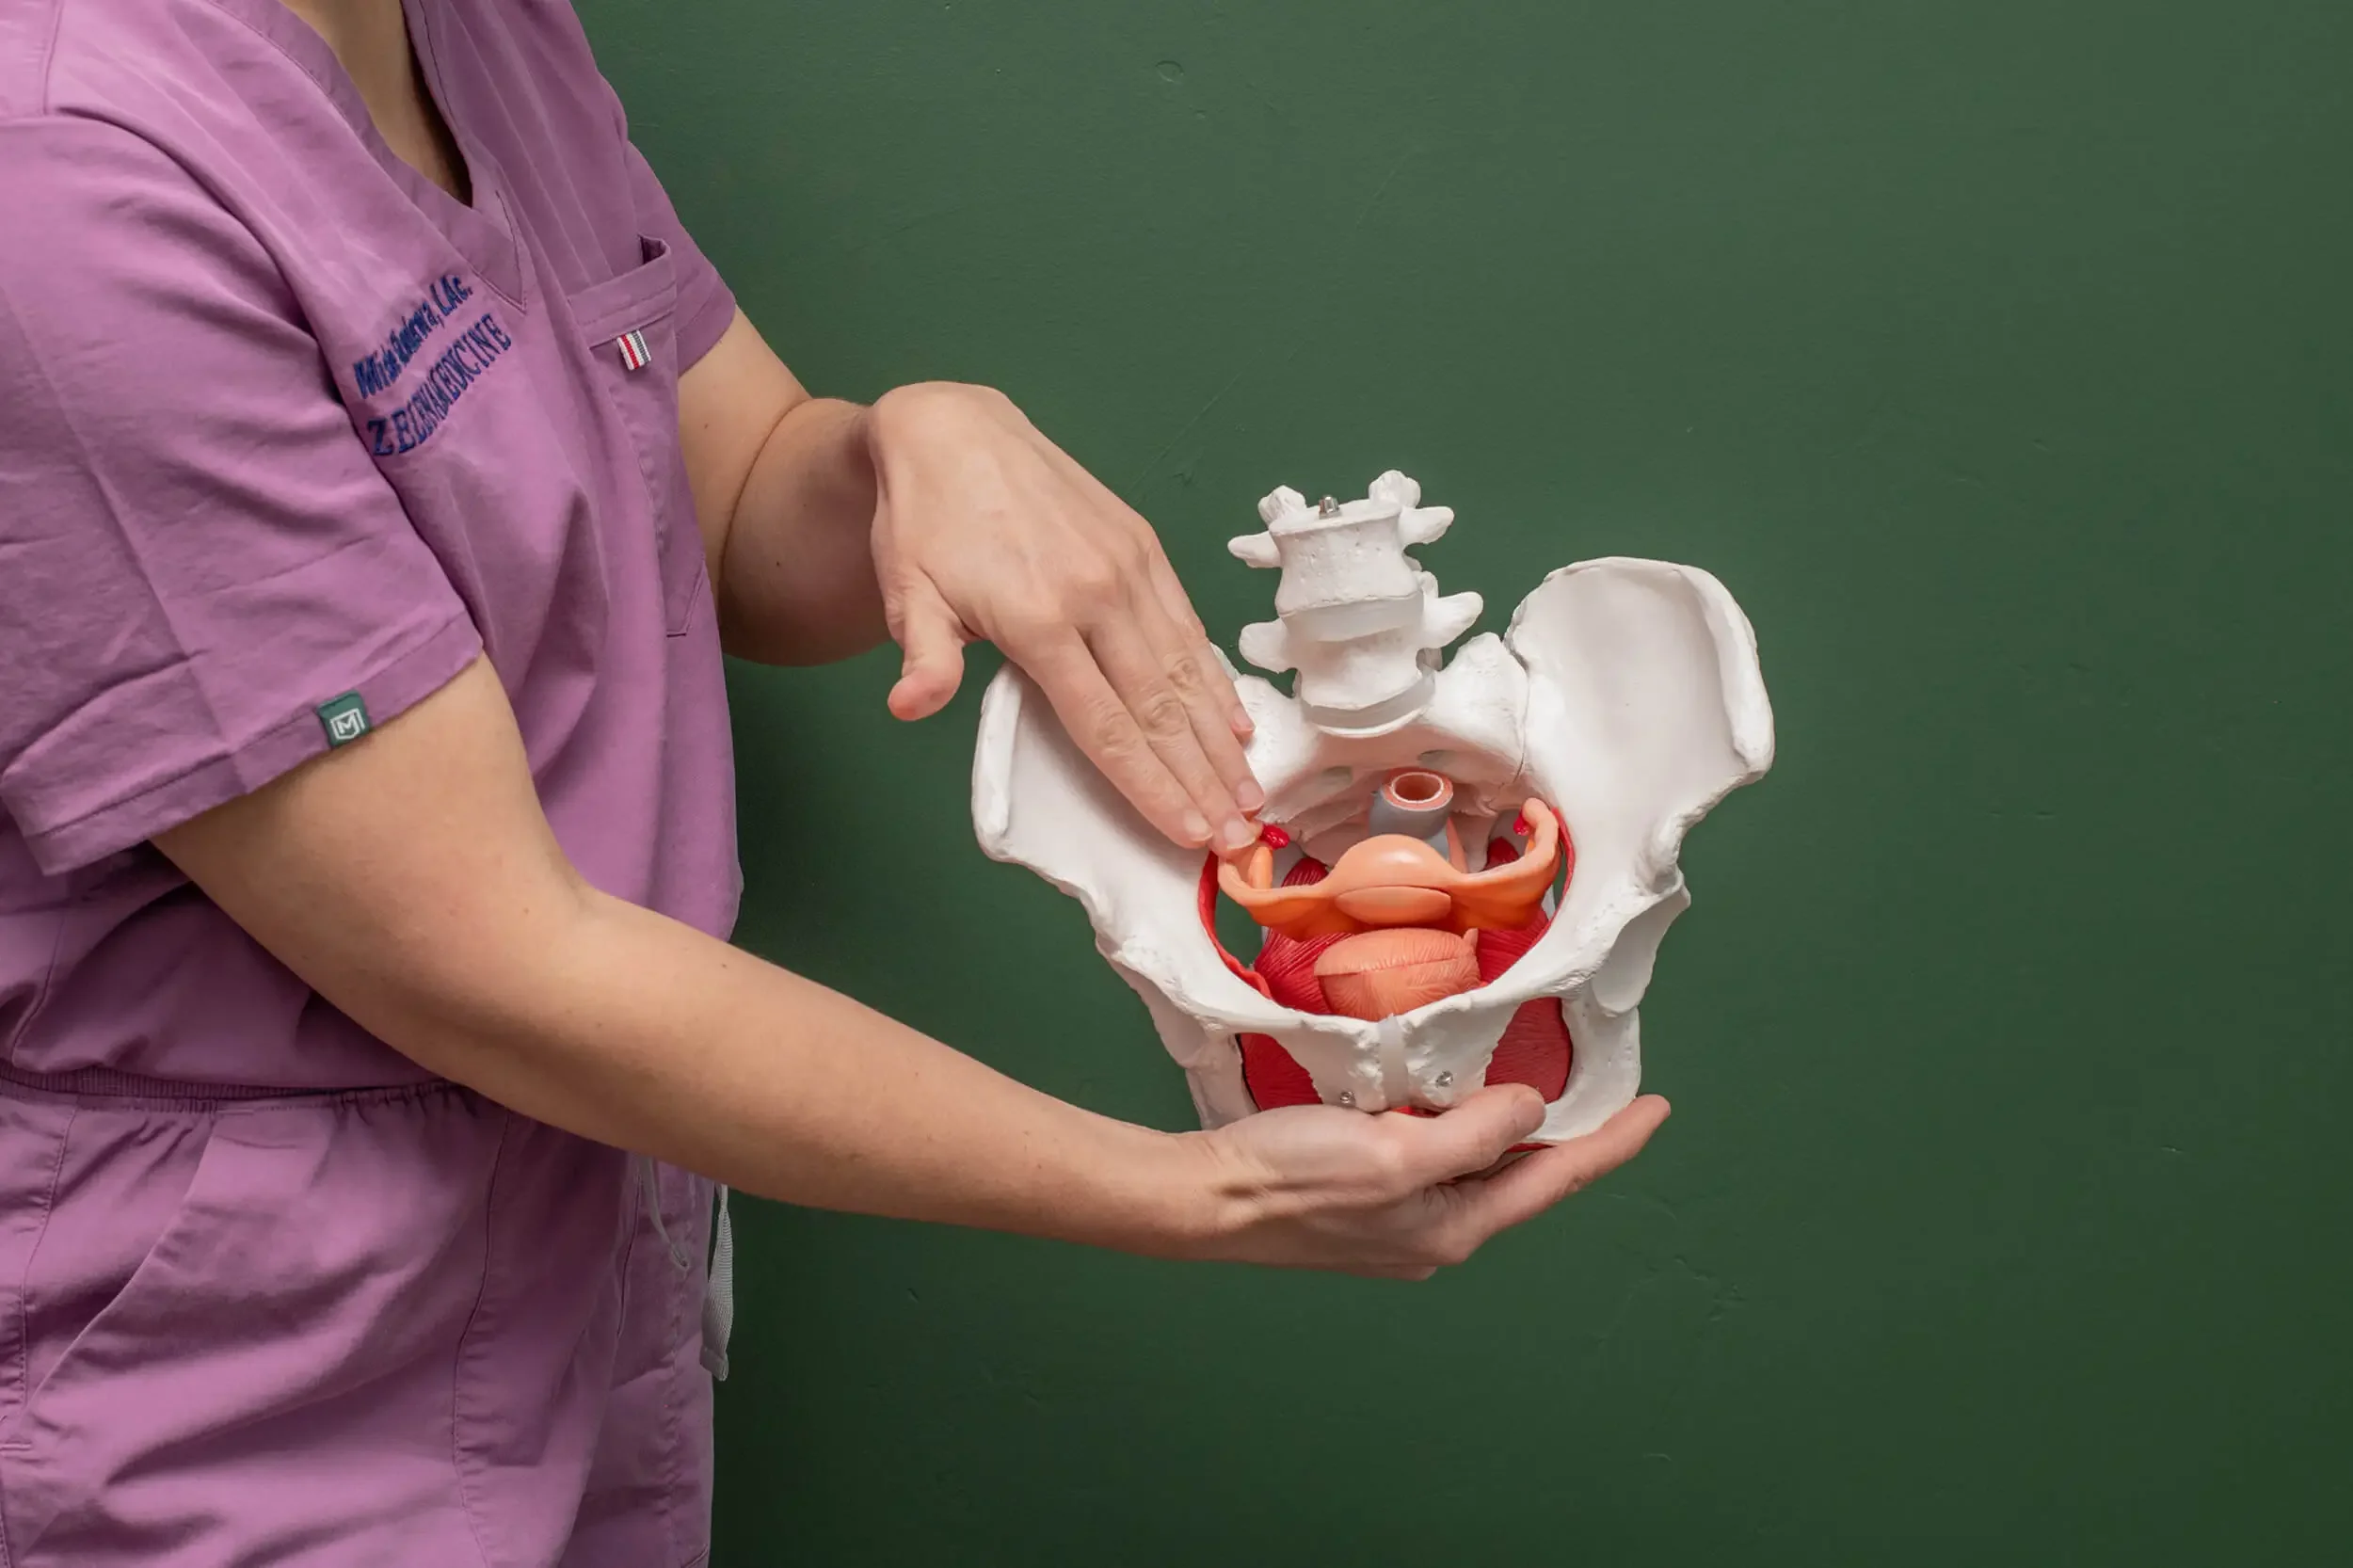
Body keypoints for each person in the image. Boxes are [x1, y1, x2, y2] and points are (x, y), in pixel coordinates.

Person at [0, 0, 1669, 1560]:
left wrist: (909, 448)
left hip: (580, 1280)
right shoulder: (67, 180)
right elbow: (500, 961)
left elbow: (729, 505)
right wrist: (1192, 1191)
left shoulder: (469, 28)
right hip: (251, 1389)